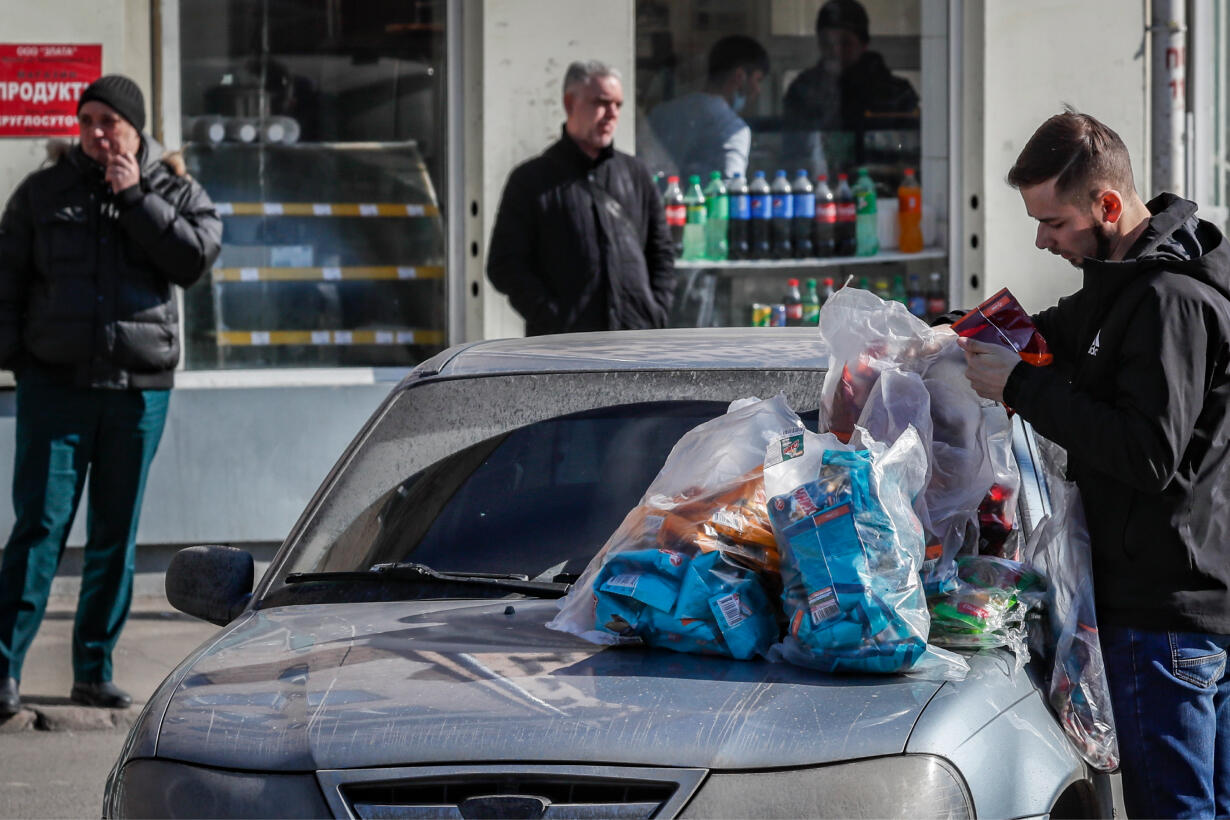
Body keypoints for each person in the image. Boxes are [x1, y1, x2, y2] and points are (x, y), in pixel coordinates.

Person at [959, 108, 1230, 818]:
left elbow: (1147, 454)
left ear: (1107, 205)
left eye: (1055, 224)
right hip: (1186, 605)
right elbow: (1054, 332)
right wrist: (940, 333)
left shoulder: (1169, 301)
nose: (1043, 242)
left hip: (1165, 610)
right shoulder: (1127, 283)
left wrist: (1018, 387)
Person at [0, 75, 222, 714]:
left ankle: (92, 671)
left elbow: (191, 260)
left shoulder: (175, 190)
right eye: (88, 120)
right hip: (56, 391)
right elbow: (7, 281)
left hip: (137, 393)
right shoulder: (43, 193)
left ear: (136, 129)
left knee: (114, 534)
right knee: (39, 527)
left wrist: (134, 197)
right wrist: (26, 364)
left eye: (110, 122)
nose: (97, 133)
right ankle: (3, 670)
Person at [487, 61, 675, 336]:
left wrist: (654, 311)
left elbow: (662, 254)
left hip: (635, 344)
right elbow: (504, 265)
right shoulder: (531, 180)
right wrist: (553, 319)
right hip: (563, 353)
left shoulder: (636, 174)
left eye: (618, 105)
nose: (611, 113)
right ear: (569, 103)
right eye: (601, 102)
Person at [781, 0, 918, 173]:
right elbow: (793, 152)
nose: (835, 51)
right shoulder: (803, 90)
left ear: (863, 44)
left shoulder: (896, 93)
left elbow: (910, 155)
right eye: (826, 43)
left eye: (845, 43)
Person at [647, 35, 770, 181]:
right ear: (739, 76)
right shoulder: (733, 129)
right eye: (758, 80)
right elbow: (731, 190)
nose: (758, 90)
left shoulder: (661, 113)